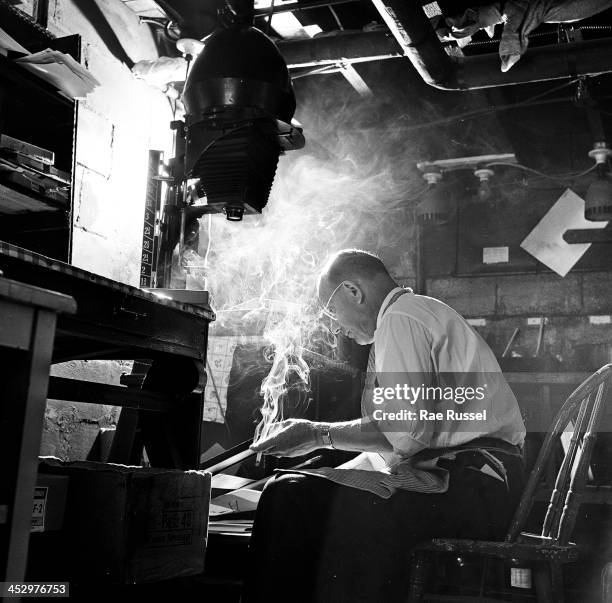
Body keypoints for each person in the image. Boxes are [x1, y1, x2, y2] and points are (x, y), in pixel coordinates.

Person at [242, 249, 526, 602]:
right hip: (479, 485)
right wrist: (326, 447)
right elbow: (406, 433)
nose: (335, 326)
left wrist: (319, 435)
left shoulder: (401, 318)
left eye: (332, 312)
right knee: (303, 488)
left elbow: (404, 434)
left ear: (353, 291)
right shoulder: (415, 313)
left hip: (471, 486)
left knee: (288, 494)